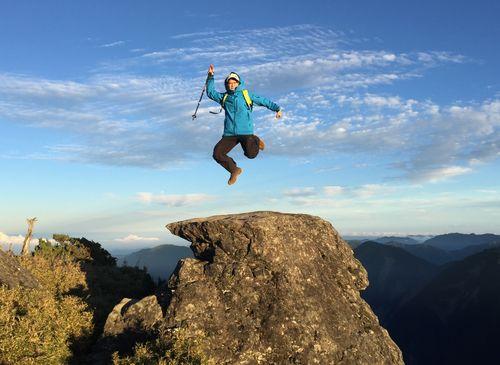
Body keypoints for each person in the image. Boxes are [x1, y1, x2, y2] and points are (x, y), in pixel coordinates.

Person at [206, 64, 282, 185]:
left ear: (238, 83)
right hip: (230, 133)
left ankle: (255, 139)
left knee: (251, 155)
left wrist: (277, 109)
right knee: (217, 153)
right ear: (227, 84)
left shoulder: (247, 95)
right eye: (229, 83)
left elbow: (263, 101)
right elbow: (210, 93)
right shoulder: (224, 97)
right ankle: (234, 170)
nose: (231, 85)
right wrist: (210, 76)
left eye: (234, 82)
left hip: (246, 132)